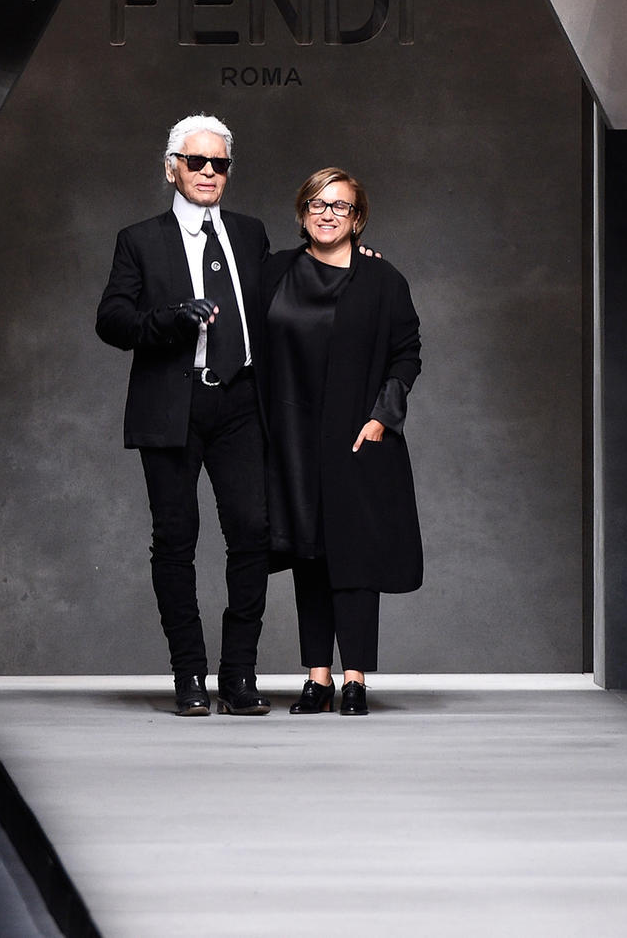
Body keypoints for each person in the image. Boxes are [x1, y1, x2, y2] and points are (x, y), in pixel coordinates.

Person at [95, 115, 275, 717]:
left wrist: (354, 260)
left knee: (252, 533)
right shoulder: (139, 239)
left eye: (219, 164)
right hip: (174, 402)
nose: (208, 173)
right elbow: (111, 320)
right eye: (196, 162)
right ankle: (190, 675)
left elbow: (286, 294)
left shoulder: (249, 234)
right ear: (171, 168)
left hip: (241, 401)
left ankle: (239, 674)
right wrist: (169, 320)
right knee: (176, 539)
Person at [258, 168, 423, 716]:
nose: (327, 214)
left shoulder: (382, 279)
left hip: (356, 438)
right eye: (317, 204)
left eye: (340, 206)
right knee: (307, 555)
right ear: (303, 212)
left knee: (354, 557)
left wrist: (382, 418)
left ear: (358, 218)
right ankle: (317, 679)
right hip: (291, 439)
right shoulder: (274, 271)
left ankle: (355, 679)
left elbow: (407, 352)